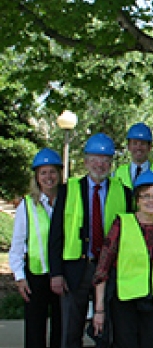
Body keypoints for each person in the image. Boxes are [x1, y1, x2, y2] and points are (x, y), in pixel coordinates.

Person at [49, 133, 133, 348]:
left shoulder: (124, 193)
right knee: (71, 331)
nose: (100, 164)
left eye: (105, 159)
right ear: (85, 162)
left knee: (105, 331)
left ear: (111, 163)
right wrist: (56, 273)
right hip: (76, 268)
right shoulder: (68, 191)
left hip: (109, 269)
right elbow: (56, 235)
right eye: (95, 158)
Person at [91, 171, 153, 348]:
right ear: (137, 199)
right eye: (145, 196)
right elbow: (102, 269)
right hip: (125, 301)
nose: (151, 201)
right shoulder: (122, 223)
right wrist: (99, 309)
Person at [9, 148, 63, 348]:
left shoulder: (66, 201)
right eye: (43, 173)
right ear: (36, 177)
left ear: (59, 173)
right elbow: (17, 244)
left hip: (61, 275)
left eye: (52, 172)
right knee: (35, 332)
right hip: (36, 276)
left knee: (60, 330)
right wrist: (19, 277)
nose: (49, 177)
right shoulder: (27, 205)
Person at [114, 123, 153, 189]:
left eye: (143, 144)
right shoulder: (118, 173)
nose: (138, 148)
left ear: (150, 147)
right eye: (135, 143)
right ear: (129, 146)